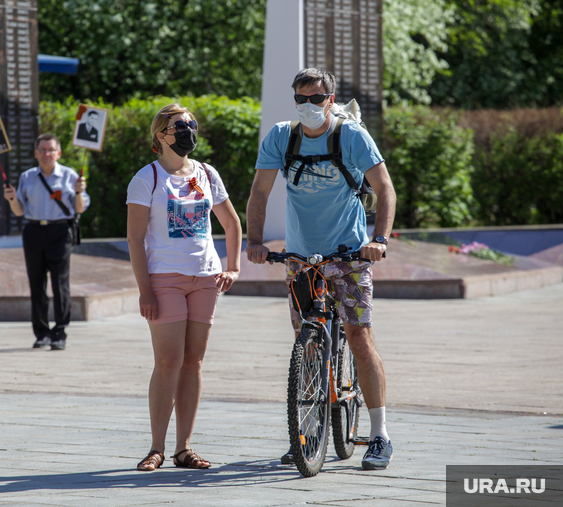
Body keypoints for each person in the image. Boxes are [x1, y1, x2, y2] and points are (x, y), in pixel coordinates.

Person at [246, 68, 397, 470]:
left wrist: (378, 240)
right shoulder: (282, 136)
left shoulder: (351, 136)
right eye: (302, 99)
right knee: (306, 342)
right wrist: (256, 242)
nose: (309, 106)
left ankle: (380, 434)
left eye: (317, 98)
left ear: (330, 99)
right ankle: (308, 434)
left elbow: (384, 189)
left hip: (349, 255)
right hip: (300, 258)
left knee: (359, 338)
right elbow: (259, 192)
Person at [127, 104, 242, 471]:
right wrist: (145, 290)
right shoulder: (147, 178)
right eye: (180, 125)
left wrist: (233, 267)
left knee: (193, 363)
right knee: (168, 362)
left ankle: (183, 449)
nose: (188, 130)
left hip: (205, 278)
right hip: (165, 279)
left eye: (191, 124)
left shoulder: (207, 173)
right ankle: (156, 447)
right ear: (161, 134)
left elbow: (232, 223)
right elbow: (135, 238)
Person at [3, 133, 89, 350]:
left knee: (60, 284)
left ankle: (59, 332)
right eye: (42, 150)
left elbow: (79, 208)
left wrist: (79, 192)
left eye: (50, 150)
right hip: (33, 232)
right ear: (35, 153)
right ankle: (41, 333)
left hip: (60, 231)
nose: (46, 154)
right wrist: (12, 198)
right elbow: (20, 211)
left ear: (58, 153)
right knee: (36, 283)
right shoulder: (27, 177)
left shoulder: (70, 176)